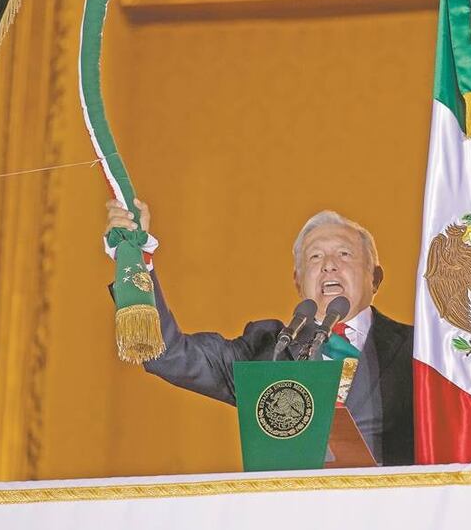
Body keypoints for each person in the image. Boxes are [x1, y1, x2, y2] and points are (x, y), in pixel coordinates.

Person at [104, 199, 415, 466]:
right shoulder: (266, 348)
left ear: (375, 278)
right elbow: (169, 354)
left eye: (344, 255)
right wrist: (136, 261)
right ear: (298, 281)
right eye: (315, 257)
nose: (329, 266)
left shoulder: (419, 349)